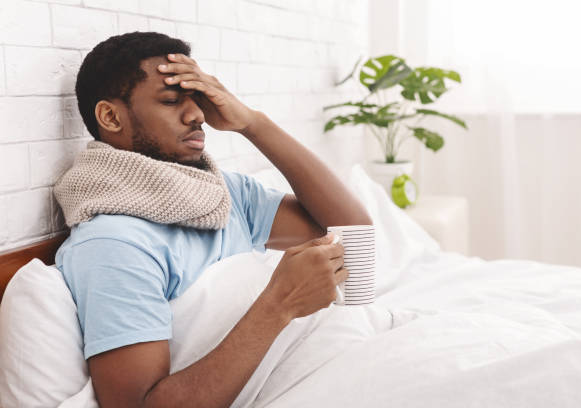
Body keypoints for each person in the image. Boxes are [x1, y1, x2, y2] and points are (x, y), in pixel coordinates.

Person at [52, 31, 372, 407]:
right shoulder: (113, 245)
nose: (198, 115)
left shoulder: (220, 194)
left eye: (198, 100)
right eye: (172, 101)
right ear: (110, 116)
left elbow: (354, 232)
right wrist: (279, 303)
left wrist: (252, 123)